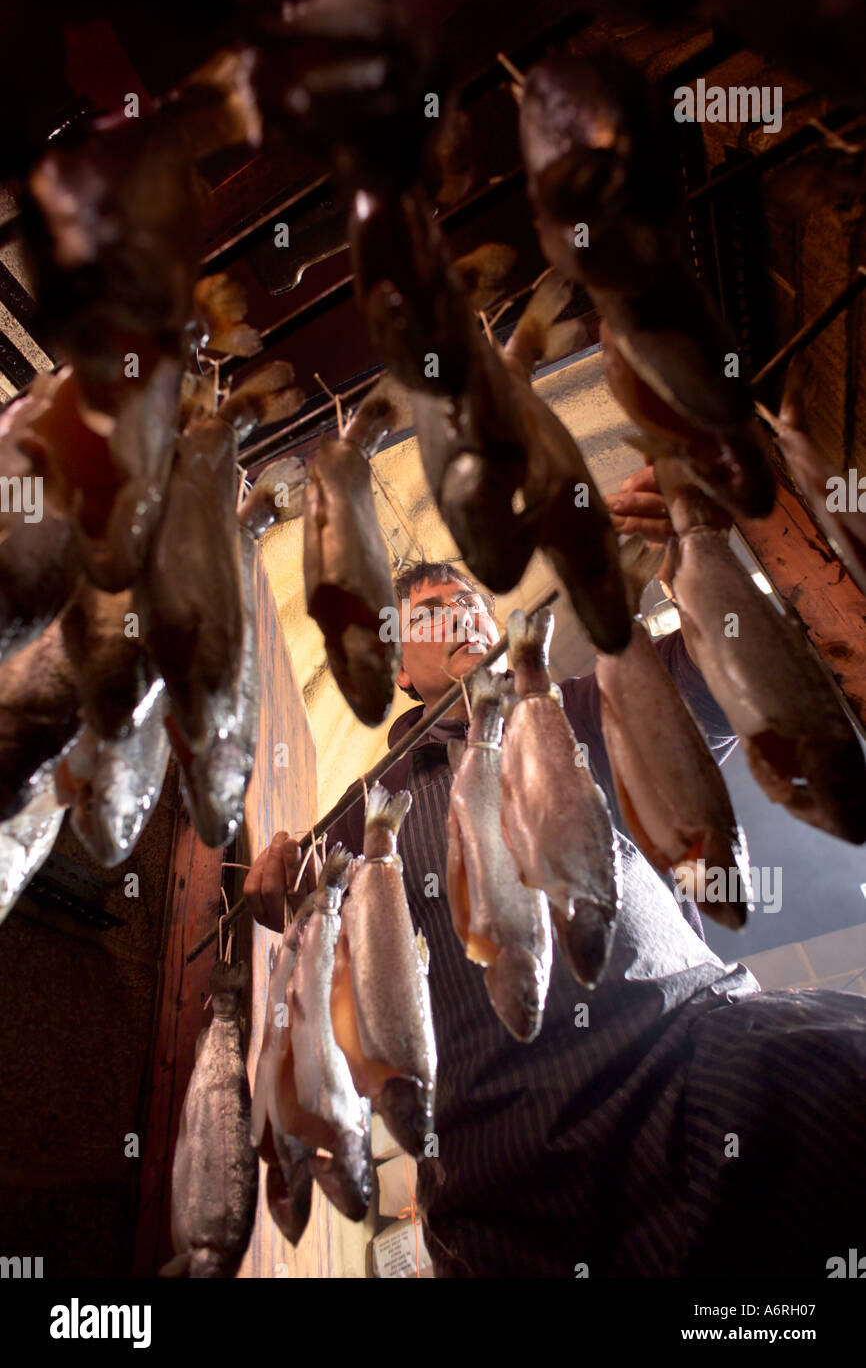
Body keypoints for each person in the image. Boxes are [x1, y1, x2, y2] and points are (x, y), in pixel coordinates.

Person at [245, 465, 866, 1278]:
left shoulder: (573, 705)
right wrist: (283, 906)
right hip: (503, 1175)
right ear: (398, 667)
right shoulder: (362, 821)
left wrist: (692, 555)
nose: (465, 614)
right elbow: (344, 994)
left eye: (471, 601)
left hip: (704, 1058)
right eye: (432, 613)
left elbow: (736, 689)